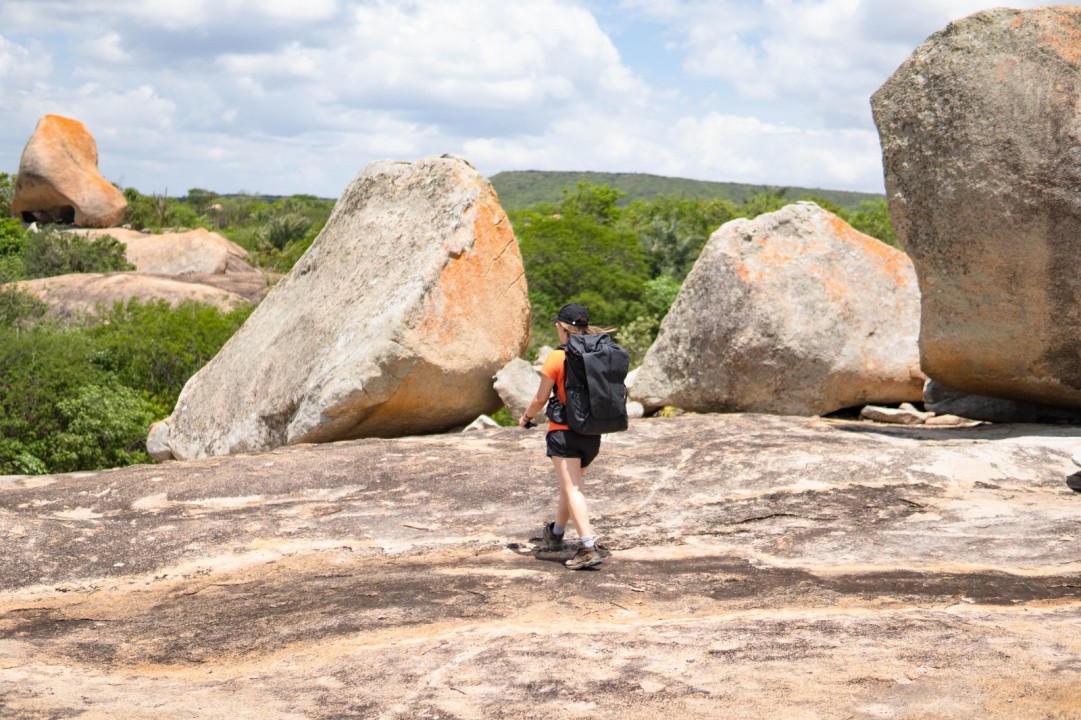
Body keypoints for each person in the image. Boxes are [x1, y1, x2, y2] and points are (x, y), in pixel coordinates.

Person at [518, 302, 613, 570]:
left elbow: (539, 398)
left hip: (564, 433)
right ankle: (556, 532)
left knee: (573, 488)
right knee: (570, 486)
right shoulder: (599, 353)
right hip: (592, 434)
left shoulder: (557, 358)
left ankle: (586, 547)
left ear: (562, 328)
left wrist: (526, 418)